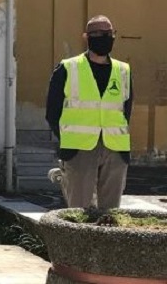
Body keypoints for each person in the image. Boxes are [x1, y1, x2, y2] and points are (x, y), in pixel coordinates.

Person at [45, 15, 133, 209]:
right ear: (86, 37)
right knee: (79, 212)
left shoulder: (123, 70)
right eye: (98, 33)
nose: (105, 37)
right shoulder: (68, 68)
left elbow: (126, 111)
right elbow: (52, 112)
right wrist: (68, 140)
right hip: (79, 150)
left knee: (110, 215)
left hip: (115, 149)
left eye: (109, 33)